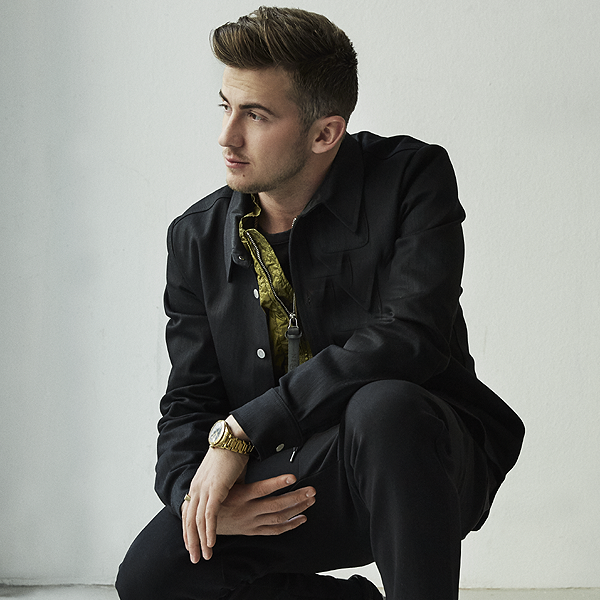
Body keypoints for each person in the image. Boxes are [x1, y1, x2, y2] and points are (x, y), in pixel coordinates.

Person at [116, 7, 524, 600]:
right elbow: (189, 399)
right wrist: (191, 497)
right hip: (295, 475)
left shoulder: (412, 178)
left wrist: (244, 430)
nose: (227, 136)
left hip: (418, 459)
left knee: (383, 406)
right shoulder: (195, 238)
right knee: (153, 579)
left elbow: (411, 335)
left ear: (325, 133)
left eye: (256, 115)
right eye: (226, 106)